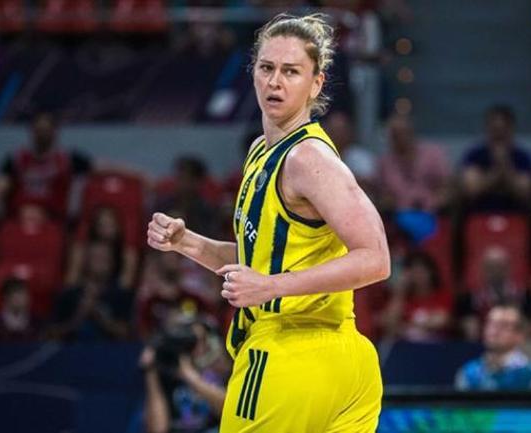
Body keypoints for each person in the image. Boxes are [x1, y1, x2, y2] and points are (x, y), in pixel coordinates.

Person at [147, 13, 389, 432]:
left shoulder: (307, 158)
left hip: (290, 352)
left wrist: (273, 287)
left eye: (291, 71)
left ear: (316, 83)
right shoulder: (263, 150)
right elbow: (261, 260)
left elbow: (376, 258)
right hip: (342, 362)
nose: (275, 81)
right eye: (267, 68)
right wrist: (187, 243)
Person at [0, 112, 93, 261]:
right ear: (31, 131)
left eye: (46, 130)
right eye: (39, 130)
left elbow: (102, 167)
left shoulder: (69, 159)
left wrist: (121, 169)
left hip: (53, 225)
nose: (42, 134)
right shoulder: (16, 160)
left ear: (55, 132)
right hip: (16, 223)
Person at [455, 304, 531, 391]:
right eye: (491, 324)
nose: (494, 330)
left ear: (520, 336)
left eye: (504, 326)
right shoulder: (469, 372)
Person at [461, 105, 531, 212]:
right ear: (487, 129)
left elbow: (524, 192)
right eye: (495, 130)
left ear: (512, 130)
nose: (499, 135)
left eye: (503, 130)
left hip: (515, 216)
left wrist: (505, 166)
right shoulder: (474, 155)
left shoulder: (523, 157)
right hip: (480, 215)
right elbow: (471, 190)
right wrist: (496, 172)